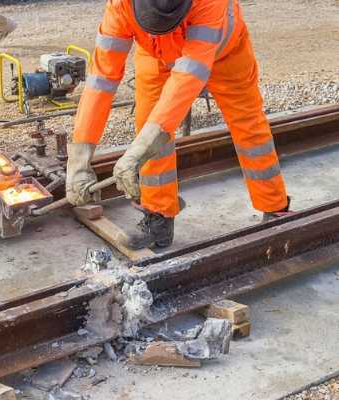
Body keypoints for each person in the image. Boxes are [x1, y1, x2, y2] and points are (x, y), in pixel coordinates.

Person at [66, 0, 292, 250]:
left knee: (248, 127)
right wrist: (80, 159)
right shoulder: (120, 5)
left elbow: (188, 77)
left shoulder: (210, 4)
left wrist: (139, 149)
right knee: (148, 127)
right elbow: (101, 80)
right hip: (156, 56)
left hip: (225, 55)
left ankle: (275, 209)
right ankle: (158, 217)